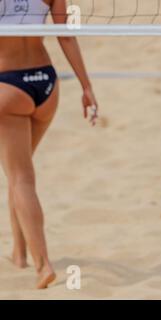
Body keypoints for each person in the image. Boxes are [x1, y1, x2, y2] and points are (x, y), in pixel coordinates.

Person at [0, 0, 98, 289]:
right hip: (46, 83)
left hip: (8, 85)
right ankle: (19, 253)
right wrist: (86, 86)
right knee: (19, 172)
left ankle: (43, 265)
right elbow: (65, 35)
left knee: (20, 178)